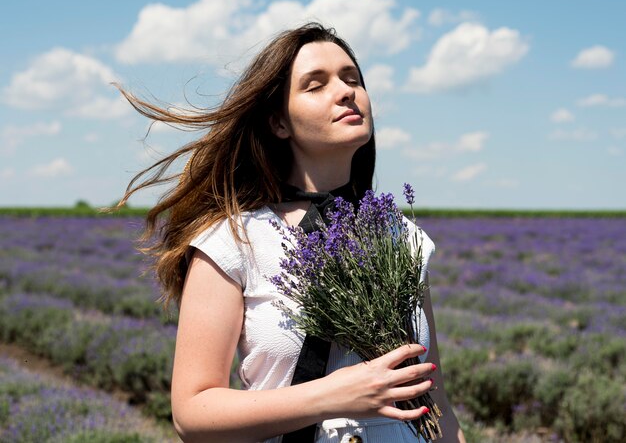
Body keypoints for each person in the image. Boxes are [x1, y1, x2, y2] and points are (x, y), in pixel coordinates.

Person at [117, 22, 466, 443]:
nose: (345, 91)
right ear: (279, 123)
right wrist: (332, 395)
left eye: (352, 79)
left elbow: (437, 402)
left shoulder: (401, 239)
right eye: (315, 85)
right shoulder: (234, 239)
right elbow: (192, 413)